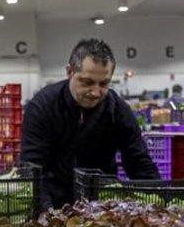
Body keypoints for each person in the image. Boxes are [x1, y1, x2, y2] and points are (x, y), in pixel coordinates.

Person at [20, 38, 159, 208]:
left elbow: (139, 162)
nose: (95, 92)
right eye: (87, 82)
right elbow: (33, 168)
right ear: (70, 71)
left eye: (104, 83)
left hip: (102, 206)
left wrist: (158, 203)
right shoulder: (42, 107)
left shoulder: (117, 110)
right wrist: (47, 218)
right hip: (54, 203)